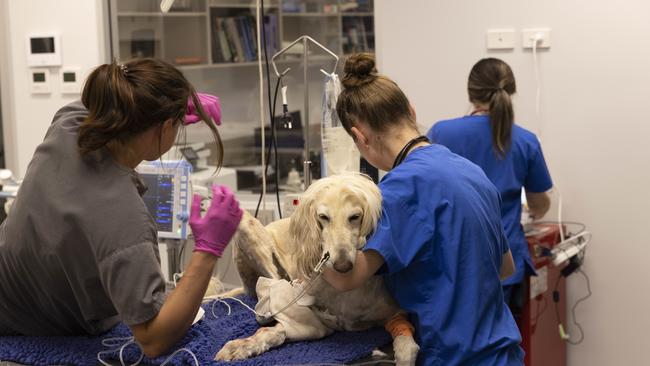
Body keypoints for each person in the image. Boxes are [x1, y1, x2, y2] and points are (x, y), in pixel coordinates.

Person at [0, 58, 243, 358]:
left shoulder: (69, 122)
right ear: (165, 126)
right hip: (22, 326)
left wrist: (174, 103)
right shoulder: (122, 216)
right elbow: (152, 339)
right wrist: (207, 251)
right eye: (176, 124)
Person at [323, 53, 524, 365]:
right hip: (503, 354)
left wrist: (313, 227)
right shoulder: (471, 171)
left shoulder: (398, 191)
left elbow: (344, 279)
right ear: (411, 111)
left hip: (453, 358)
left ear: (359, 138)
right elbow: (505, 267)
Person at [427, 58, 553, 306]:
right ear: (511, 92)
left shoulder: (441, 133)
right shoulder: (525, 141)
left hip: (452, 263)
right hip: (504, 266)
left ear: (470, 92)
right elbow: (540, 204)